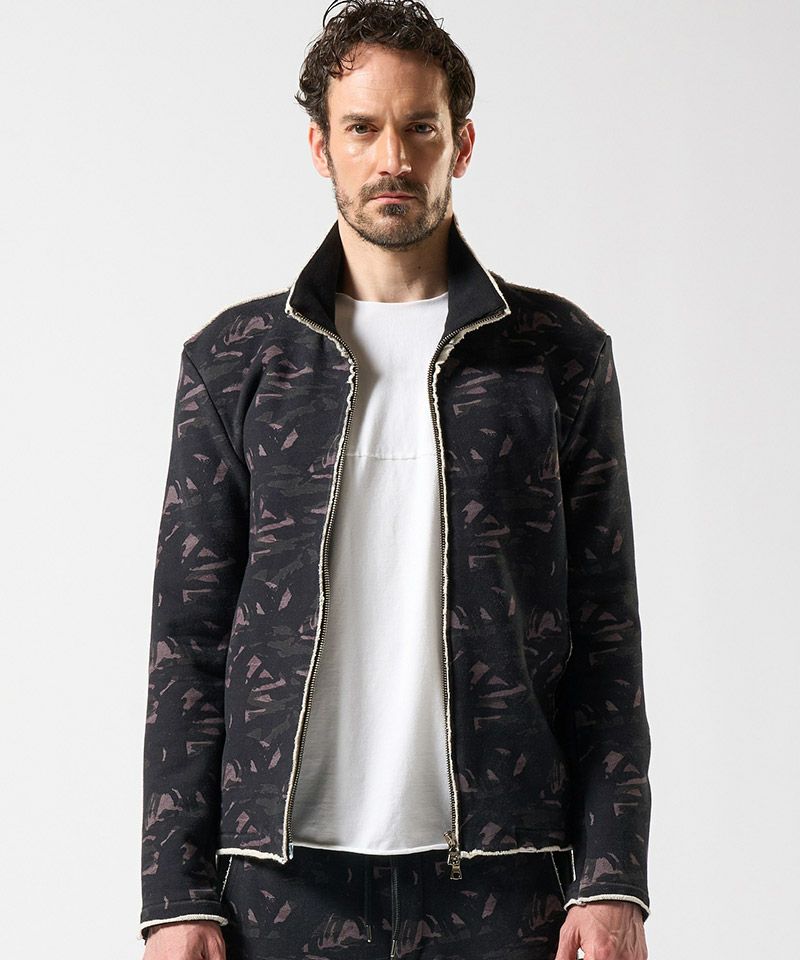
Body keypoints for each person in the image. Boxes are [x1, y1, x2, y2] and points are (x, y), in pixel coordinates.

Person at [138, 2, 652, 958]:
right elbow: (188, 644)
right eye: (362, 129)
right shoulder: (234, 363)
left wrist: (612, 875)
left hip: (507, 877)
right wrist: (176, 896)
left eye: (420, 127)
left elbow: (606, 635)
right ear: (320, 147)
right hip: (278, 883)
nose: (392, 159)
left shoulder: (558, 356)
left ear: (462, 144)